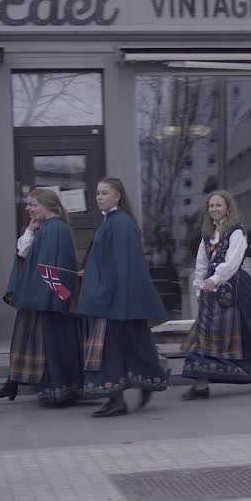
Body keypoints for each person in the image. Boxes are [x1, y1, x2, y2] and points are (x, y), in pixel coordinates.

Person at [78, 178, 173, 418]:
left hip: (113, 299)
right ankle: (123, 395)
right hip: (110, 297)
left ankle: (119, 398)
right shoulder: (111, 222)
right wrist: (89, 272)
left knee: (111, 349)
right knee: (120, 348)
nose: (99, 197)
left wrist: (111, 296)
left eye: (104, 193)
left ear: (117, 196)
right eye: (98, 193)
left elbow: (124, 266)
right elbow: (106, 262)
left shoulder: (119, 224)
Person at [179, 191, 251, 399]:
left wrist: (214, 279)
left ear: (228, 208)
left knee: (250, 333)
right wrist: (200, 286)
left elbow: (233, 262)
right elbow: (201, 264)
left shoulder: (237, 232)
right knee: (204, 334)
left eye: (218, 206)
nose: (214, 209)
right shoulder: (208, 234)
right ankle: (201, 385)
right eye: (211, 206)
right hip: (213, 291)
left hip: (237, 289)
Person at [0, 189, 85, 408]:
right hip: (41, 298)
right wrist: (30, 231)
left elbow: (52, 270)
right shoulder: (47, 229)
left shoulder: (55, 230)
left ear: (46, 206)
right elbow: (28, 258)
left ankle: (52, 390)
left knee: (45, 344)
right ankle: (13, 383)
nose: (28, 209)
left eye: (32, 205)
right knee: (32, 342)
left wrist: (53, 299)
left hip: (46, 300)